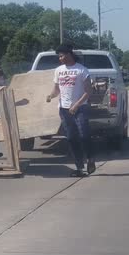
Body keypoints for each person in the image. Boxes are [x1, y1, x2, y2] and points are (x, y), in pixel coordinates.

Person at [46, 44, 95, 177]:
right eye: (59, 56)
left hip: (80, 108)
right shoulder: (58, 70)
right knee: (72, 138)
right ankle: (79, 168)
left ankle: (90, 158)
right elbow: (57, 89)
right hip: (64, 109)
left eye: (61, 56)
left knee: (84, 135)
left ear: (69, 54)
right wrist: (51, 96)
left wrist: (77, 105)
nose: (60, 58)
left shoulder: (82, 70)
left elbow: (88, 91)